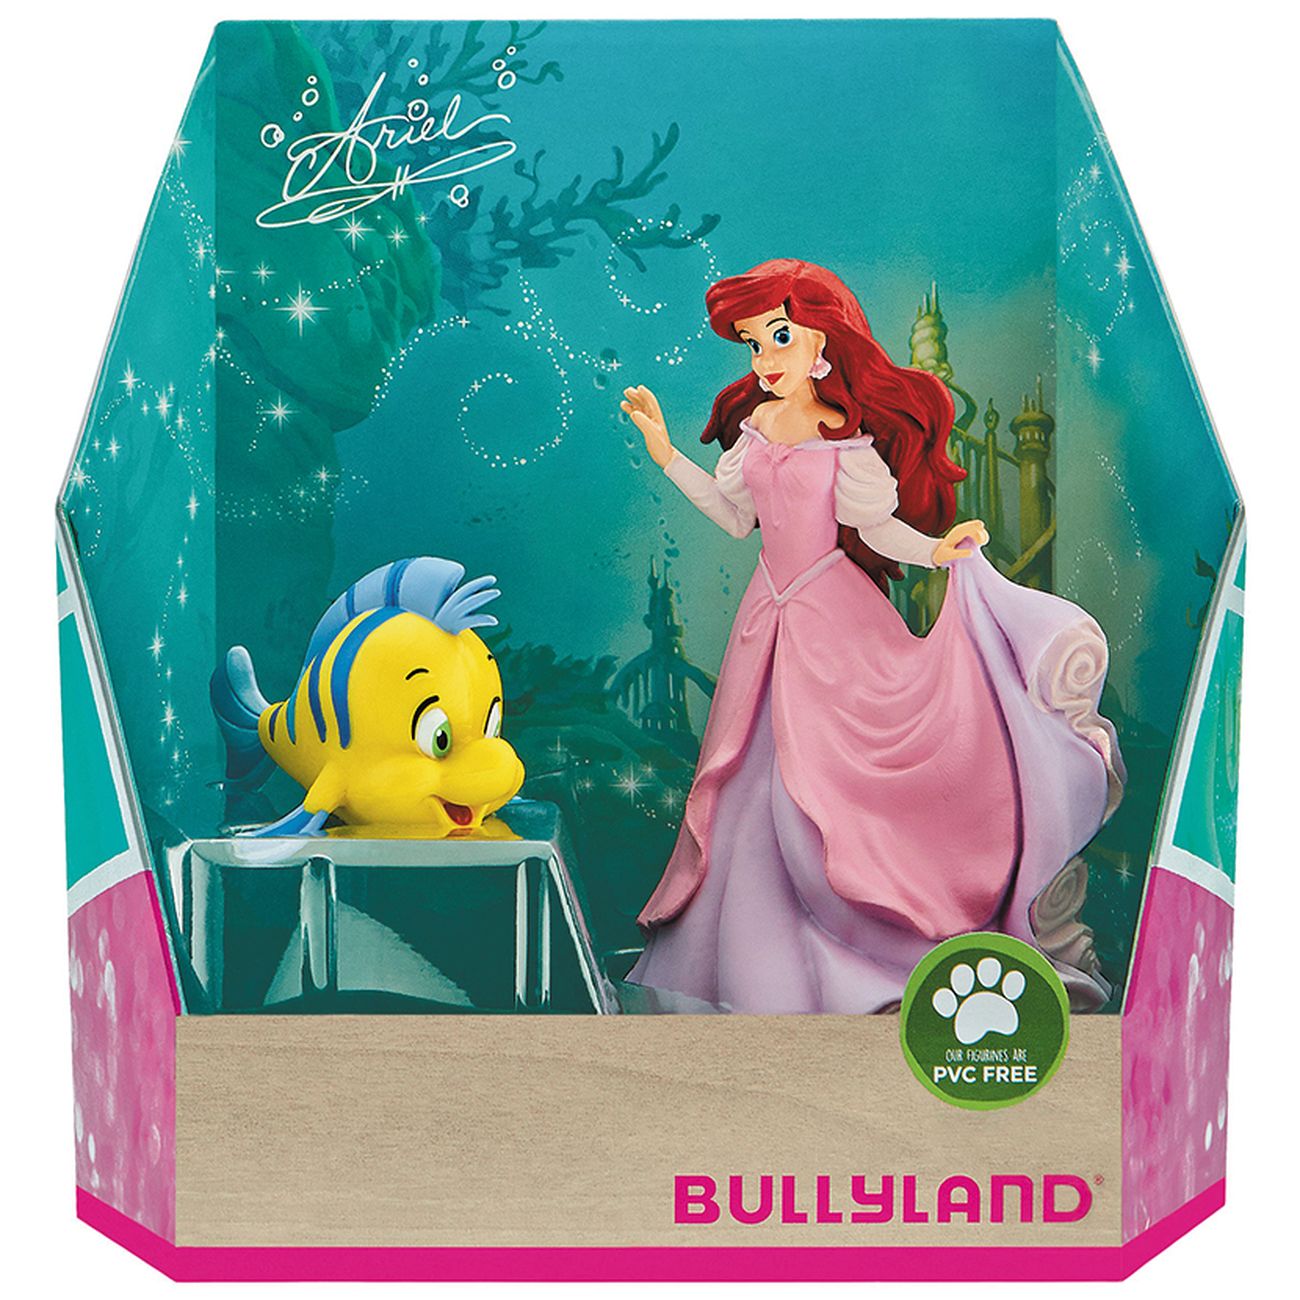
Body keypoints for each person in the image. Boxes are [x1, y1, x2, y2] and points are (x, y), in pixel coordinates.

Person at [621, 259, 1123, 1013]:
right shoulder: (753, 434)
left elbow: (877, 529)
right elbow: (735, 518)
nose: (765, 358)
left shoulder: (846, 443)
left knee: (828, 784)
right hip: (766, 622)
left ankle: (865, 934)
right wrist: (668, 457)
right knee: (747, 782)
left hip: (833, 622)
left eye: (780, 337)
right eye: (754, 343)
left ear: (822, 341)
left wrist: (937, 550)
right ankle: (751, 958)